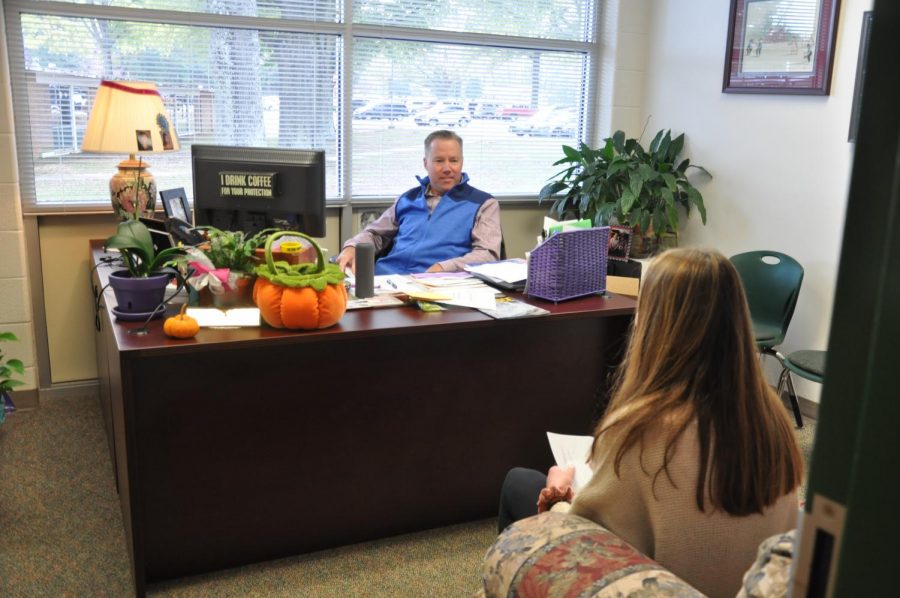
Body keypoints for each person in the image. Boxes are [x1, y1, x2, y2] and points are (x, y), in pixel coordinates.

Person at [497, 248, 803, 598]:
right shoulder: (771, 417)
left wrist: (558, 496)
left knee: (520, 483)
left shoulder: (644, 430)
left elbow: (587, 544)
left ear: (654, 323)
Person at [337, 130, 501, 275]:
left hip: (438, 285)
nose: (447, 168)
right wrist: (352, 246)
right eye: (439, 160)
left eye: (453, 160)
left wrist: (444, 268)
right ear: (426, 163)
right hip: (386, 280)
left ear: (462, 162)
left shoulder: (483, 203)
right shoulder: (408, 198)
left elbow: (487, 254)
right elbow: (375, 234)